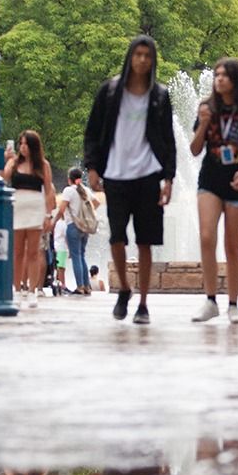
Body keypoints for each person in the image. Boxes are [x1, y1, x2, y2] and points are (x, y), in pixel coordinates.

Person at [83, 35, 176, 325]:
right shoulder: (110, 92)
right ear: (130, 57)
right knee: (117, 238)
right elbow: (93, 132)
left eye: (148, 55)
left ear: (153, 60)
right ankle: (124, 287)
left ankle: (144, 303)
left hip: (148, 174)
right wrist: (93, 168)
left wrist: (169, 178)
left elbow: (168, 139)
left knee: (146, 242)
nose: (142, 60)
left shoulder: (159, 95)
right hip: (116, 175)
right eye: (137, 54)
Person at [189, 58, 238, 323]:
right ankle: (210, 299)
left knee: (232, 245)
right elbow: (194, 149)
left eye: (224, 75)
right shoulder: (206, 107)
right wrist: (202, 124)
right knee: (206, 236)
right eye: (216, 75)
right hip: (210, 180)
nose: (219, 79)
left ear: (236, 80)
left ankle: (233, 303)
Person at [3, 131, 55, 308]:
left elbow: (48, 190)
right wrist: (7, 160)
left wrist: (48, 215)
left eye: (26, 144)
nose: (22, 147)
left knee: (33, 252)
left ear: (33, 146)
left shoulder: (43, 165)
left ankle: (32, 290)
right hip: (18, 206)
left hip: (35, 208)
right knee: (17, 252)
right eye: (21, 143)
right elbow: (4, 177)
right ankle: (17, 289)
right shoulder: (15, 162)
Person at [53, 168, 100, 294]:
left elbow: (62, 209)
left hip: (73, 226)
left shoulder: (68, 190)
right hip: (84, 228)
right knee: (82, 255)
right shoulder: (85, 189)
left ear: (69, 179)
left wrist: (53, 222)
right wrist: (86, 215)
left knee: (76, 257)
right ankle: (86, 286)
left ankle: (79, 286)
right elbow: (97, 203)